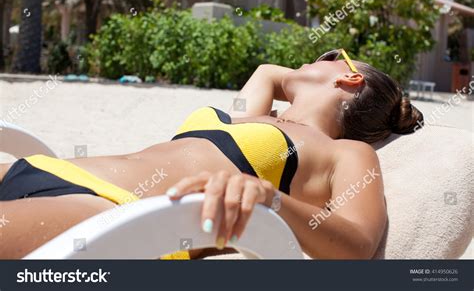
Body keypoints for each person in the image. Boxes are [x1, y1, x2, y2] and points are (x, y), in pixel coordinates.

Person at [0, 49, 423, 259]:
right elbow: (266, 74)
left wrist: (267, 197)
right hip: (44, 169)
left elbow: (358, 245)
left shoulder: (344, 152)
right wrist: (289, 79)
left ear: (348, 78)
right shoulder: (254, 118)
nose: (313, 58)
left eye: (329, 56)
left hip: (112, 218)